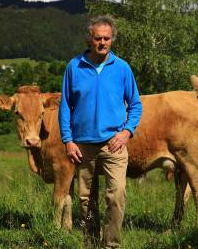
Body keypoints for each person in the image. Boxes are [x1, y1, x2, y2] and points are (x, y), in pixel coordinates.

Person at [59, 14, 142, 248]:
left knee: (116, 197)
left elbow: (135, 104)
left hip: (113, 144)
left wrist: (126, 132)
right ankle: (90, 243)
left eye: (107, 38)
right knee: (86, 202)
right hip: (82, 146)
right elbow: (66, 106)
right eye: (98, 38)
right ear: (89, 39)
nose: (102, 42)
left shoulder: (122, 68)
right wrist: (68, 140)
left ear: (112, 40)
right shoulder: (74, 67)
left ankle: (111, 245)